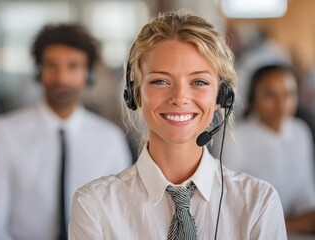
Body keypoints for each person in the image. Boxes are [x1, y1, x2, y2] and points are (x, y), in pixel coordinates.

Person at [69, 11, 287, 239]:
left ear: (221, 97)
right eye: (160, 81)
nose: (180, 97)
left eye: (199, 82)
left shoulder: (258, 203)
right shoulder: (94, 207)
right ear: (135, 94)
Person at [0, 23, 132, 240]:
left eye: (73, 66)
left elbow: (120, 219)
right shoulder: (2, 134)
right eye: (51, 66)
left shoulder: (111, 139)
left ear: (89, 73)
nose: (61, 78)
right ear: (38, 71)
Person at [223, 64, 315, 234]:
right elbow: (228, 202)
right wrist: (288, 223)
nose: (281, 104)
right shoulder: (236, 137)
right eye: (270, 95)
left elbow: (305, 191)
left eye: (288, 94)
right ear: (253, 98)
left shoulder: (300, 131)